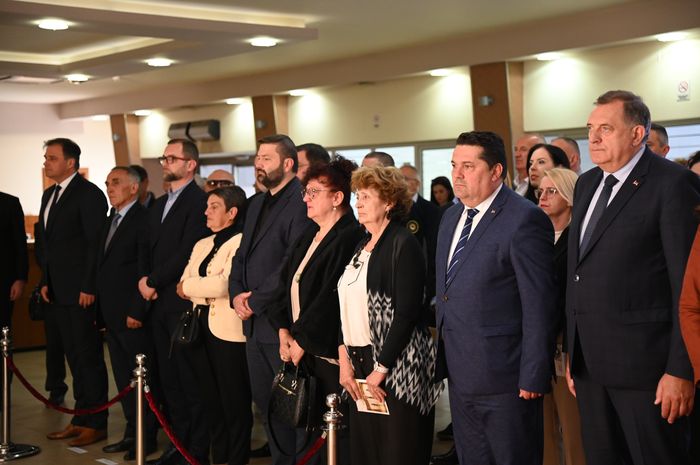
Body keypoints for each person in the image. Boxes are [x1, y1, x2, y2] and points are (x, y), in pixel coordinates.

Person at [565, 90, 700, 465]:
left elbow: (687, 286)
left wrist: (681, 370)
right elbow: (578, 272)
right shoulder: (587, 183)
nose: (593, 138)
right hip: (590, 368)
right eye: (590, 128)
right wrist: (573, 350)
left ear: (638, 134)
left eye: (605, 129)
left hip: (649, 373)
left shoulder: (672, 184)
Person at [435, 131, 557, 465]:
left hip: (506, 377)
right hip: (460, 371)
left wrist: (534, 373)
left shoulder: (524, 218)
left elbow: (539, 304)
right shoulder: (450, 217)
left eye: (468, 166)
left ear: (496, 171)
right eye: (454, 165)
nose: (457, 174)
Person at [337, 165, 441, 465]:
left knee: (398, 453)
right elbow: (345, 307)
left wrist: (381, 368)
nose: (358, 203)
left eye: (366, 197)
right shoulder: (361, 245)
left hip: (397, 366)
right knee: (368, 453)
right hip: (360, 363)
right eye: (358, 197)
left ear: (389, 202)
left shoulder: (403, 243)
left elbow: (406, 313)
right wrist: (345, 361)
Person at [269, 156, 364, 464]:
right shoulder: (309, 234)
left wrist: (302, 340)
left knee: (336, 434)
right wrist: (283, 330)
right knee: (310, 432)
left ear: (337, 198)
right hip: (300, 346)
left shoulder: (350, 236)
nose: (305, 199)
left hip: (328, 352)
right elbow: (286, 284)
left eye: (313, 192)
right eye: (305, 192)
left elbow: (331, 298)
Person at [229, 134, 311, 465]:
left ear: (287, 163)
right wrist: (236, 295)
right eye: (257, 158)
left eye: (266, 158)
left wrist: (255, 300)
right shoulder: (256, 203)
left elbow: (291, 263)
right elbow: (241, 256)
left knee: (293, 408)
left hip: (281, 323)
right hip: (252, 325)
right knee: (266, 407)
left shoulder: (301, 201)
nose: (258, 164)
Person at [139, 138, 210, 465]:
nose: (165, 163)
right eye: (164, 158)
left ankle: (195, 449)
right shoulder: (159, 203)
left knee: (189, 380)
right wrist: (144, 281)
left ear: (190, 164)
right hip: (156, 302)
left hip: (180, 302)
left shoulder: (198, 201)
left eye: (172, 158)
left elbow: (186, 251)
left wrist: (153, 281)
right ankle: (177, 444)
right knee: (168, 381)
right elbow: (146, 247)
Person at [38, 138, 110, 447]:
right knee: (73, 358)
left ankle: (96, 422)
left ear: (70, 162)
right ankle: (80, 419)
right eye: (46, 157)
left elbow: (95, 244)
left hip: (81, 291)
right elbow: (48, 244)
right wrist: (45, 280)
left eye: (52, 158)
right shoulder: (49, 194)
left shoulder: (88, 194)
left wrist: (88, 286)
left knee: (87, 357)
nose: (46, 162)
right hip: (58, 291)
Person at [177, 186, 252, 465]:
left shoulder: (241, 241)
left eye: (214, 206)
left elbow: (223, 286)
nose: (206, 212)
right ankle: (219, 457)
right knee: (210, 400)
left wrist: (194, 288)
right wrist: (199, 288)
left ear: (232, 213)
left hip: (228, 333)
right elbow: (181, 285)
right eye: (207, 206)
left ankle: (237, 459)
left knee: (235, 402)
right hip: (199, 329)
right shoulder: (202, 243)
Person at [96, 167, 158, 460]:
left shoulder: (143, 219)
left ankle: (147, 436)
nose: (110, 188)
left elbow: (145, 268)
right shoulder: (111, 218)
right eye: (108, 183)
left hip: (133, 315)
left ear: (134, 188)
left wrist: (138, 309)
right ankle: (131, 432)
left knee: (141, 380)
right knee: (123, 380)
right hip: (111, 314)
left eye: (116, 182)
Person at [535, 168, 586, 465]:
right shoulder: (534, 236)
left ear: (569, 196)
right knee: (542, 430)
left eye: (551, 191)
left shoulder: (579, 238)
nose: (543, 196)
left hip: (566, 341)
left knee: (572, 426)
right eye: (540, 191)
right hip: (536, 344)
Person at [399, 164, 440, 315]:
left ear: (416, 183)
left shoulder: (431, 210)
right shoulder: (391, 209)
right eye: (398, 179)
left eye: (405, 179)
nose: (400, 183)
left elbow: (434, 249)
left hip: (423, 279)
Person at [0, 191, 27, 331]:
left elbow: (20, 244)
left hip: (4, 283)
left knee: (3, 329)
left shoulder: (10, 203)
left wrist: (21, 278)